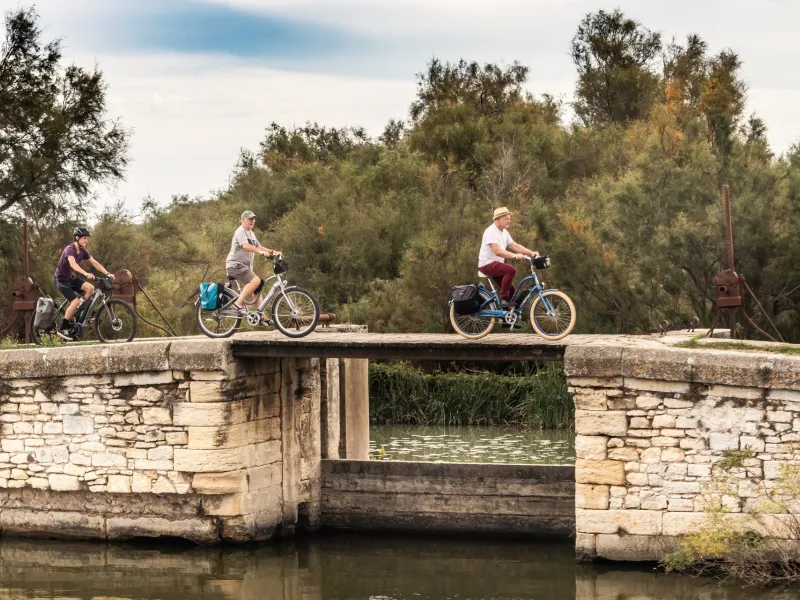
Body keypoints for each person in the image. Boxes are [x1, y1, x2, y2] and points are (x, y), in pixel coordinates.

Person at [53, 227, 115, 340]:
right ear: (77, 238)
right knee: (75, 301)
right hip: (61, 279)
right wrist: (85, 273)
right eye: (85, 238)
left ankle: (81, 311)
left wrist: (107, 273)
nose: (87, 240)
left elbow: (95, 263)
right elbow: (73, 264)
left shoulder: (83, 251)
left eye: (87, 238)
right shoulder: (69, 249)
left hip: (71, 278)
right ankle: (63, 328)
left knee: (90, 288)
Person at [478, 207, 539, 307]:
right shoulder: (490, 232)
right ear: (497, 219)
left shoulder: (504, 232)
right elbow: (497, 251)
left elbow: (515, 246)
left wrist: (531, 253)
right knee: (510, 270)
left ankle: (507, 319)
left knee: (512, 291)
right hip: (486, 264)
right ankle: (504, 300)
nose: (509, 221)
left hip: (496, 265)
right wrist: (515, 256)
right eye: (506, 219)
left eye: (509, 218)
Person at [226, 211, 281, 315]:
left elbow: (259, 247)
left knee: (257, 287)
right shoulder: (240, 231)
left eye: (253, 219)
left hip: (244, 267)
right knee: (256, 281)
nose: (252, 221)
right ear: (242, 220)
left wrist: (272, 252)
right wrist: (260, 252)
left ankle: (261, 316)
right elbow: (245, 246)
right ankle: (238, 304)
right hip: (235, 265)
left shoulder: (251, 233)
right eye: (250, 219)